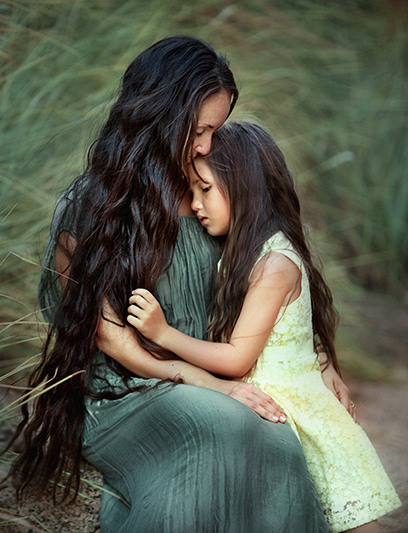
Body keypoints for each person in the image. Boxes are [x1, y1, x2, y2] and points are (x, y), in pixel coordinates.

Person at [10, 36, 340, 531]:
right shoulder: (89, 208)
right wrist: (202, 381)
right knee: (216, 427)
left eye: (216, 130)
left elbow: (273, 282)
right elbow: (108, 335)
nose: (207, 145)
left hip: (218, 383)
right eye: (200, 129)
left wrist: (321, 357)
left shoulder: (217, 200)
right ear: (161, 113)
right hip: (124, 393)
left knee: (274, 437)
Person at [127, 121, 401, 532]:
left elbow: (238, 359)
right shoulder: (246, 253)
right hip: (278, 411)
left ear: (245, 188)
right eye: (192, 190)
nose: (194, 203)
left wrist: (163, 333)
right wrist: (323, 359)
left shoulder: (275, 264)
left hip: (300, 419)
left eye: (205, 189)